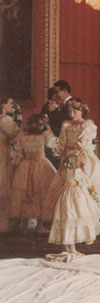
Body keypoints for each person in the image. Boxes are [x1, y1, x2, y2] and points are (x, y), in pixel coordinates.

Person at [45, 99, 100, 238]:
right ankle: (74, 226)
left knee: (87, 190)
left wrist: (81, 159)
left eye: (75, 111)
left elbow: (85, 144)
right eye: (70, 112)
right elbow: (62, 143)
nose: (72, 114)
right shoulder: (66, 124)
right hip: (68, 158)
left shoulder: (87, 125)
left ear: (82, 111)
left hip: (83, 159)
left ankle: (91, 225)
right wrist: (62, 157)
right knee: (68, 192)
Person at [9, 114, 57, 234]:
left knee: (41, 193)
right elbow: (18, 151)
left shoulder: (44, 136)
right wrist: (16, 161)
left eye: (39, 124)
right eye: (34, 124)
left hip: (41, 165)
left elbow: (52, 144)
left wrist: (48, 129)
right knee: (24, 193)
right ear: (30, 124)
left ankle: (40, 224)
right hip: (25, 166)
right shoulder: (22, 137)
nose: (36, 126)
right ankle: (24, 224)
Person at [0, 96, 20, 233]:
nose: (11, 106)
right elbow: (16, 134)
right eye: (10, 104)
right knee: (3, 185)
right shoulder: (5, 120)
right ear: (3, 105)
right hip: (2, 154)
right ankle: (3, 224)